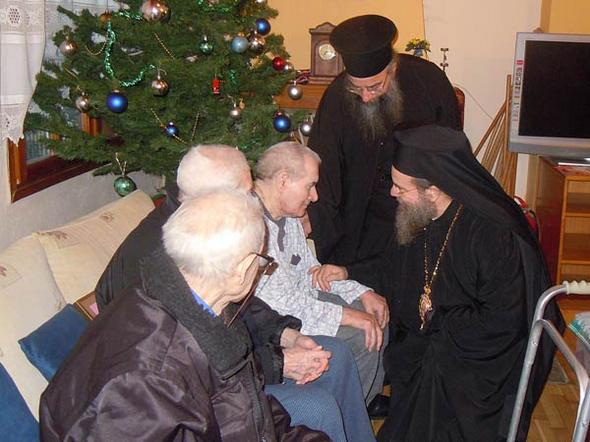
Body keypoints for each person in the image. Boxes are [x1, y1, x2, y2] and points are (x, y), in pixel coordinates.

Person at [95, 144, 369, 441]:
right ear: (214, 197)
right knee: (318, 407)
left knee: (337, 356)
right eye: (247, 193)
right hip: (195, 397)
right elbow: (196, 365)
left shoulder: (204, 228)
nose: (255, 201)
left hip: (225, 363)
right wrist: (279, 362)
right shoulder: (163, 255)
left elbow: (240, 307)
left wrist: (285, 334)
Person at [40, 189, 330, 441]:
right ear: (242, 270)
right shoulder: (145, 379)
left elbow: (248, 410)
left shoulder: (205, 310)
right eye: (263, 261)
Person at [377, 125, 564, 441]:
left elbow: (505, 321)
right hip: (431, 342)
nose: (393, 193)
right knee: (407, 357)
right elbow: (393, 272)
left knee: (434, 370)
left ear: (433, 191)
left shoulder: (494, 234)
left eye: (400, 187)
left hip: (482, 361)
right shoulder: (420, 216)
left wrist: (440, 320)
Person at [307, 14, 461, 293]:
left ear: (392, 68)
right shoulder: (336, 97)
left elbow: (449, 160)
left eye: (375, 86)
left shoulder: (429, 84)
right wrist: (322, 235)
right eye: (356, 88)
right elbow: (324, 169)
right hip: (358, 217)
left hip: (415, 213)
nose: (365, 96)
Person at [253, 141, 388, 416]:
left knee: (377, 315)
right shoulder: (253, 227)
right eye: (310, 186)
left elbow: (312, 272)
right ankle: (341, 415)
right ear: (283, 180)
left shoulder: (288, 217)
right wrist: (350, 317)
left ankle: (361, 402)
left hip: (302, 301)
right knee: (363, 333)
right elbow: (279, 306)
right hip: (275, 323)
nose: (314, 197)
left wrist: (361, 292)